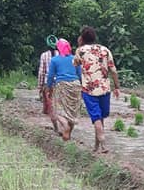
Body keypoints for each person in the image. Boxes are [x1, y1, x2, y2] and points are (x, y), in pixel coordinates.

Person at [73, 26, 120, 154]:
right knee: (100, 118)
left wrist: (79, 46)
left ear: (82, 38)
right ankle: (96, 146)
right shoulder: (105, 50)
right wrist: (117, 87)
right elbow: (113, 70)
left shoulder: (80, 51)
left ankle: (103, 144)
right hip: (105, 88)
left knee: (96, 118)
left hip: (89, 90)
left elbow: (75, 64)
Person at [46, 38, 82, 142]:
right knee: (72, 111)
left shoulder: (54, 60)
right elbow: (79, 74)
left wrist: (48, 88)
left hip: (62, 85)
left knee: (58, 111)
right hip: (75, 85)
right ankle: (68, 136)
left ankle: (65, 126)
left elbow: (50, 76)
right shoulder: (74, 58)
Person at [37, 38, 56, 118]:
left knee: (46, 98)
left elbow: (42, 72)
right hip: (57, 81)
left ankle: (47, 112)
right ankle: (53, 112)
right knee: (53, 98)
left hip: (47, 80)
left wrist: (40, 85)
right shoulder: (59, 55)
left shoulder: (44, 55)